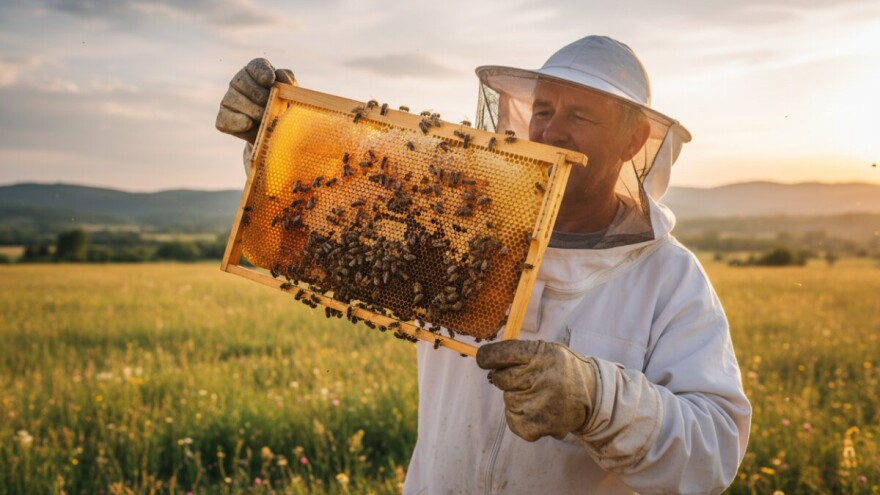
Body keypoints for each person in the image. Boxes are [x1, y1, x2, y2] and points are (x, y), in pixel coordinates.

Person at [216, 35, 751, 494]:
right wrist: (274, 141)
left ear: (633, 140)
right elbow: (336, 223)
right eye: (543, 111)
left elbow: (713, 452)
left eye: (580, 116)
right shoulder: (457, 227)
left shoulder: (668, 278)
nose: (551, 132)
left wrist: (595, 398)